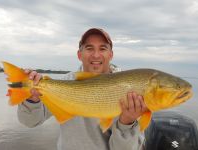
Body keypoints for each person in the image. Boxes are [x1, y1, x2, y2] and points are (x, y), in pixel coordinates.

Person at [18, 28, 148, 150]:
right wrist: (31, 100)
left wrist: (127, 122)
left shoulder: (131, 90)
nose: (96, 55)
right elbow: (30, 122)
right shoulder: (64, 82)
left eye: (102, 48)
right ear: (79, 54)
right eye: (89, 48)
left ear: (111, 55)